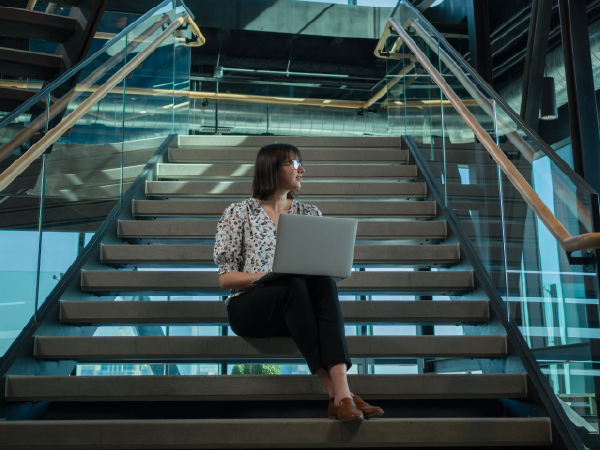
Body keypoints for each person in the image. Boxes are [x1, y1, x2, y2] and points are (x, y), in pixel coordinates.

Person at [213, 142, 384, 422]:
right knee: (291, 285)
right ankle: (340, 395)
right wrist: (269, 278)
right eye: (293, 164)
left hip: (299, 308)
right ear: (271, 167)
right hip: (250, 308)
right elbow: (226, 279)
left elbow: (318, 271)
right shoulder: (238, 212)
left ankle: (342, 392)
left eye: (300, 163)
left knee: (325, 284)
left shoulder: (310, 213)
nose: (301, 169)